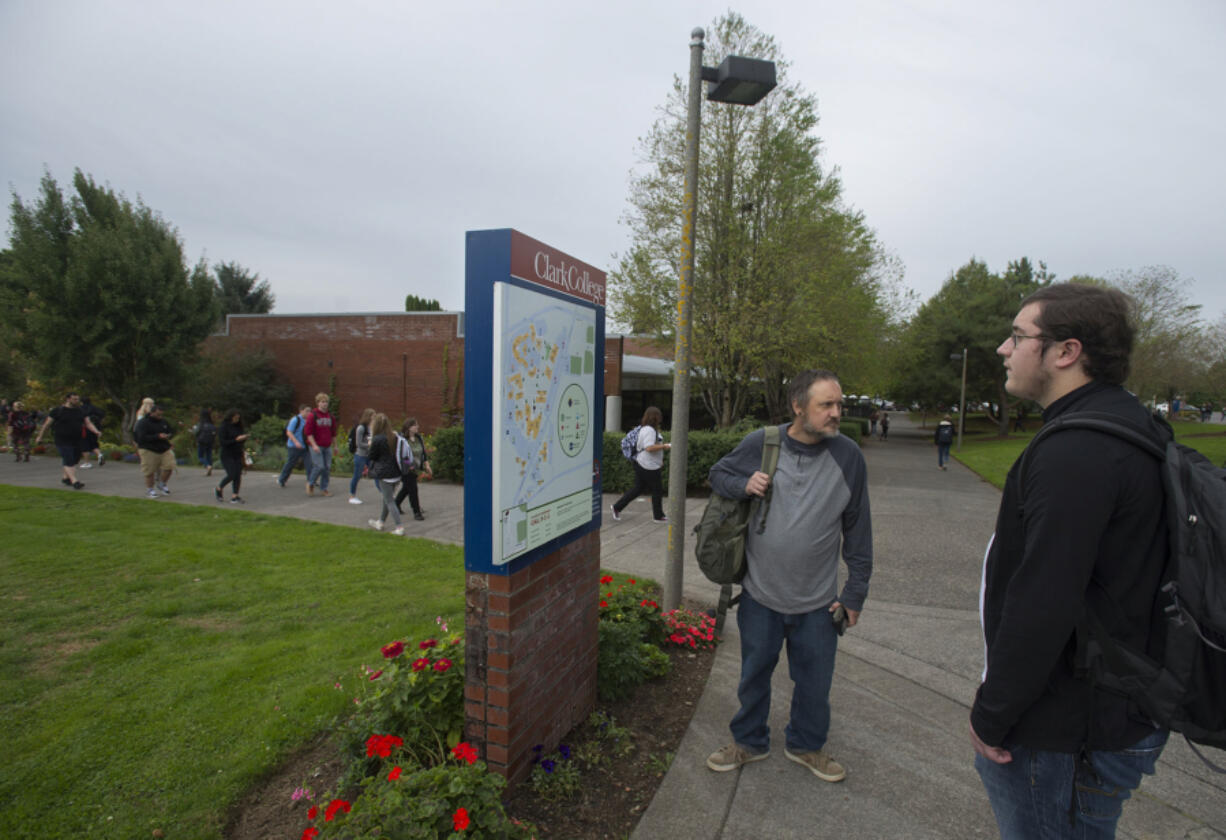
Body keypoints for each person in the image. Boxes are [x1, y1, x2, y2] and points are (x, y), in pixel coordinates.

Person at [971, 283, 1170, 839]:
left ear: (1066, 352)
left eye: (1017, 337)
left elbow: (1044, 601)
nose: (1003, 350)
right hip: (1105, 707)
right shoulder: (1125, 424)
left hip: (1065, 727)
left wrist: (993, 713)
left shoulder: (1077, 451)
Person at [705, 369, 872, 783]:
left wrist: (854, 594)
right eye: (827, 405)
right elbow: (717, 475)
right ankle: (748, 741)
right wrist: (744, 482)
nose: (837, 413)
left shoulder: (848, 456)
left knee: (815, 685)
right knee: (753, 676)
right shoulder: (762, 443)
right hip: (761, 595)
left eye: (839, 404)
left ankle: (806, 745)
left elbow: (859, 532)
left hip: (818, 603)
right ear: (798, 406)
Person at [609, 406, 670, 523]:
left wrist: (659, 459)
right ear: (655, 417)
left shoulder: (645, 429)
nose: (661, 418)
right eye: (659, 416)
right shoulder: (649, 430)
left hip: (643, 463)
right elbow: (649, 447)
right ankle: (658, 516)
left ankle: (617, 507)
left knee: (638, 488)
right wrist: (665, 446)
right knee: (657, 490)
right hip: (647, 464)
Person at [34, 392, 100, 489]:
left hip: (77, 439)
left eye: (78, 399)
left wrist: (96, 431)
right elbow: (46, 425)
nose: (77, 401)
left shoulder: (80, 411)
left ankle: (65, 478)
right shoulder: (57, 411)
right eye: (74, 399)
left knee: (74, 459)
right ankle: (75, 481)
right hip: (62, 439)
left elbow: (88, 423)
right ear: (68, 399)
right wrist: (40, 436)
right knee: (68, 458)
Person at [365, 412, 404, 535]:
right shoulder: (395, 436)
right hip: (396, 472)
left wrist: (370, 445)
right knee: (387, 499)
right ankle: (380, 522)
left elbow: (372, 456)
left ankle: (399, 527)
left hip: (384, 473)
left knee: (389, 501)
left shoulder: (377, 439)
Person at [394, 417, 433, 520]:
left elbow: (423, 453)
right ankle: (417, 512)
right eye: (415, 425)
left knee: (407, 488)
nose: (418, 427)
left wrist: (427, 465)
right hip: (406, 469)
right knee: (413, 489)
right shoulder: (402, 440)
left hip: (416, 467)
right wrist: (409, 465)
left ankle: (395, 504)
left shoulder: (418, 438)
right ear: (409, 427)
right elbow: (402, 455)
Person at [133, 403, 175, 498]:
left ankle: (162, 483)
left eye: (161, 414)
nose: (160, 417)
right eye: (158, 415)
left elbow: (170, 431)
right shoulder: (143, 423)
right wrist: (157, 436)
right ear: (152, 413)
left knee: (169, 466)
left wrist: (168, 436)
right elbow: (140, 438)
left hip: (163, 448)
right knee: (149, 471)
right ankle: (150, 489)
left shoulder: (163, 422)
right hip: (148, 448)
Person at [214, 409, 249, 503]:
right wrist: (236, 440)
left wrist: (244, 438)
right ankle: (219, 488)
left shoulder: (239, 427)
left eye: (238, 418)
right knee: (231, 474)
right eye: (235, 418)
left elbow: (241, 439)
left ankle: (235, 496)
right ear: (231, 417)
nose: (237, 419)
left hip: (237, 453)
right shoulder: (224, 427)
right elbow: (223, 442)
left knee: (238, 474)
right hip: (227, 454)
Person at [304, 392, 335, 497]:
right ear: (318, 403)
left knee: (327, 467)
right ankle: (311, 483)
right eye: (322, 402)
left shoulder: (330, 416)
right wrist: (314, 445)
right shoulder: (313, 415)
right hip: (316, 445)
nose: (325, 404)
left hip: (327, 445)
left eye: (326, 402)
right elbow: (308, 433)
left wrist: (335, 446)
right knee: (319, 466)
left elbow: (333, 433)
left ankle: (324, 488)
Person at [277, 405, 312, 488]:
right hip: (294, 446)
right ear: (301, 411)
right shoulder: (295, 420)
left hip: (305, 446)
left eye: (310, 411)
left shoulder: (308, 421)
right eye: (307, 411)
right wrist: (296, 442)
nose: (308, 413)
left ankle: (311, 481)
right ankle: (282, 479)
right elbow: (289, 432)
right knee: (291, 463)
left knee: (309, 464)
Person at [348, 408, 374, 505]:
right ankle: (352, 496)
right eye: (372, 416)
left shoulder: (370, 428)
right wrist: (369, 445)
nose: (374, 418)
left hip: (369, 455)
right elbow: (359, 444)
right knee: (357, 475)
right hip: (360, 455)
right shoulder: (361, 428)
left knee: (375, 472)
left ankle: (385, 493)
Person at [78, 397, 106, 469]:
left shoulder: (80, 409)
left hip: (84, 429)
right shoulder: (95, 408)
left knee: (85, 446)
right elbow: (102, 416)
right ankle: (99, 454)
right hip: (95, 429)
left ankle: (87, 463)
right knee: (93, 444)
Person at [195, 409, 217, 477]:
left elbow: (196, 432)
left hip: (202, 441)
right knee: (209, 455)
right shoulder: (211, 424)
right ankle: (209, 469)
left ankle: (207, 466)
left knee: (200, 456)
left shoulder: (201, 424)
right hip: (210, 441)